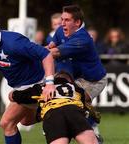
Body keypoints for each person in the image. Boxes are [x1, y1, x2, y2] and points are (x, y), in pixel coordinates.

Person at [0, 15, 55, 144]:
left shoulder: (13, 42)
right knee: (26, 121)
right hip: (21, 87)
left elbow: (46, 54)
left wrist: (49, 83)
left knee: (7, 123)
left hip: (37, 83)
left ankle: (56, 112)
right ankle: (54, 112)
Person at [46, 5, 107, 143]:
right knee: (69, 103)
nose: (62, 23)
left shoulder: (83, 39)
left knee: (72, 104)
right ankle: (88, 119)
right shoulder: (61, 31)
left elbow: (54, 53)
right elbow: (50, 47)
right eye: (62, 19)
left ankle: (91, 126)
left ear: (77, 22)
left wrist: (28, 52)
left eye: (66, 20)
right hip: (77, 78)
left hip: (94, 80)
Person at [9, 72, 98, 144]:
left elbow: (19, 96)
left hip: (53, 115)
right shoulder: (77, 89)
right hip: (74, 112)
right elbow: (85, 107)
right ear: (70, 81)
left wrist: (13, 95)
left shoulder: (42, 88)